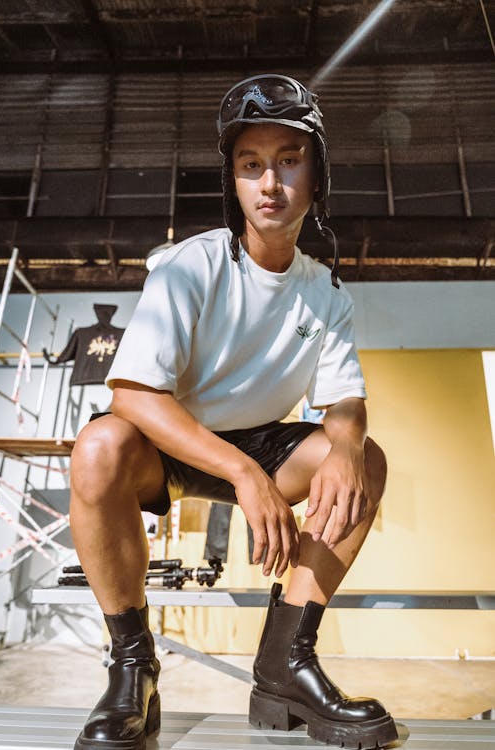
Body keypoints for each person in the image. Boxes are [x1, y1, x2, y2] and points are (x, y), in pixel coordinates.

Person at [70, 74, 398, 750]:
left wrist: (342, 444)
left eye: (288, 160)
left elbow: (344, 399)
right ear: (235, 184)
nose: (270, 182)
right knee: (99, 447)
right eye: (251, 166)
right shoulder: (192, 267)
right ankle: (133, 670)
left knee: (362, 461)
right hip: (170, 444)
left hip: (265, 442)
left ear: (316, 176)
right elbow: (131, 394)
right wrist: (245, 476)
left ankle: (286, 664)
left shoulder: (325, 292)